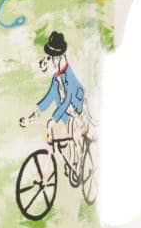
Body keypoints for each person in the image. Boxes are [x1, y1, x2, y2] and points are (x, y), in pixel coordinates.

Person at [20, 31, 89, 172]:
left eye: (49, 58)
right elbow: (49, 97)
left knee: (75, 137)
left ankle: (81, 163)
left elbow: (68, 99)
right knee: (65, 136)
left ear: (58, 58)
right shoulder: (56, 78)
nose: (46, 61)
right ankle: (73, 162)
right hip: (66, 114)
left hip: (78, 110)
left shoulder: (69, 76)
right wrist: (34, 114)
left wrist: (55, 118)